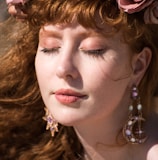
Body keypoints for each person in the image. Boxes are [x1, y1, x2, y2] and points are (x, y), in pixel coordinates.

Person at [0, 0, 158, 159]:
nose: (63, 69)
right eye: (50, 48)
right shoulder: (19, 146)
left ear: (138, 66)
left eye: (93, 51)